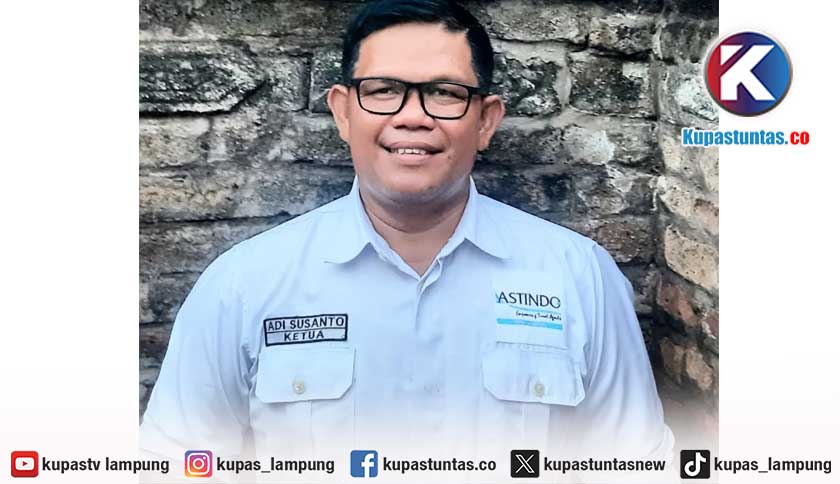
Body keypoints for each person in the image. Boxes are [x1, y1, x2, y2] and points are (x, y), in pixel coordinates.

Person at [140, 0, 674, 480]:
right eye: (384, 91)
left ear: (486, 121)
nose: (412, 117)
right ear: (343, 112)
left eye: (445, 93)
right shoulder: (245, 284)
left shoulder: (578, 276)